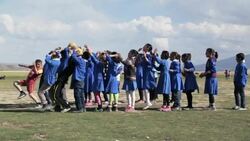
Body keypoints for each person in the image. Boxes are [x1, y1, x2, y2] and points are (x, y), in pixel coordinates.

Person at [71, 47, 86, 112]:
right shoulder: (83, 60)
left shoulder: (79, 60)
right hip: (81, 79)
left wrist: (74, 50)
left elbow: (73, 56)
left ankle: (80, 108)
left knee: (77, 94)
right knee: (81, 95)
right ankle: (83, 108)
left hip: (78, 79)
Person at [142, 43, 156, 110]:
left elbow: (150, 64)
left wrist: (145, 57)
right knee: (145, 88)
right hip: (145, 72)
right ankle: (148, 101)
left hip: (148, 73)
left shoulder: (148, 55)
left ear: (147, 48)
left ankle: (148, 102)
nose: (143, 47)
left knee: (146, 87)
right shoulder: (147, 55)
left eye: (144, 46)